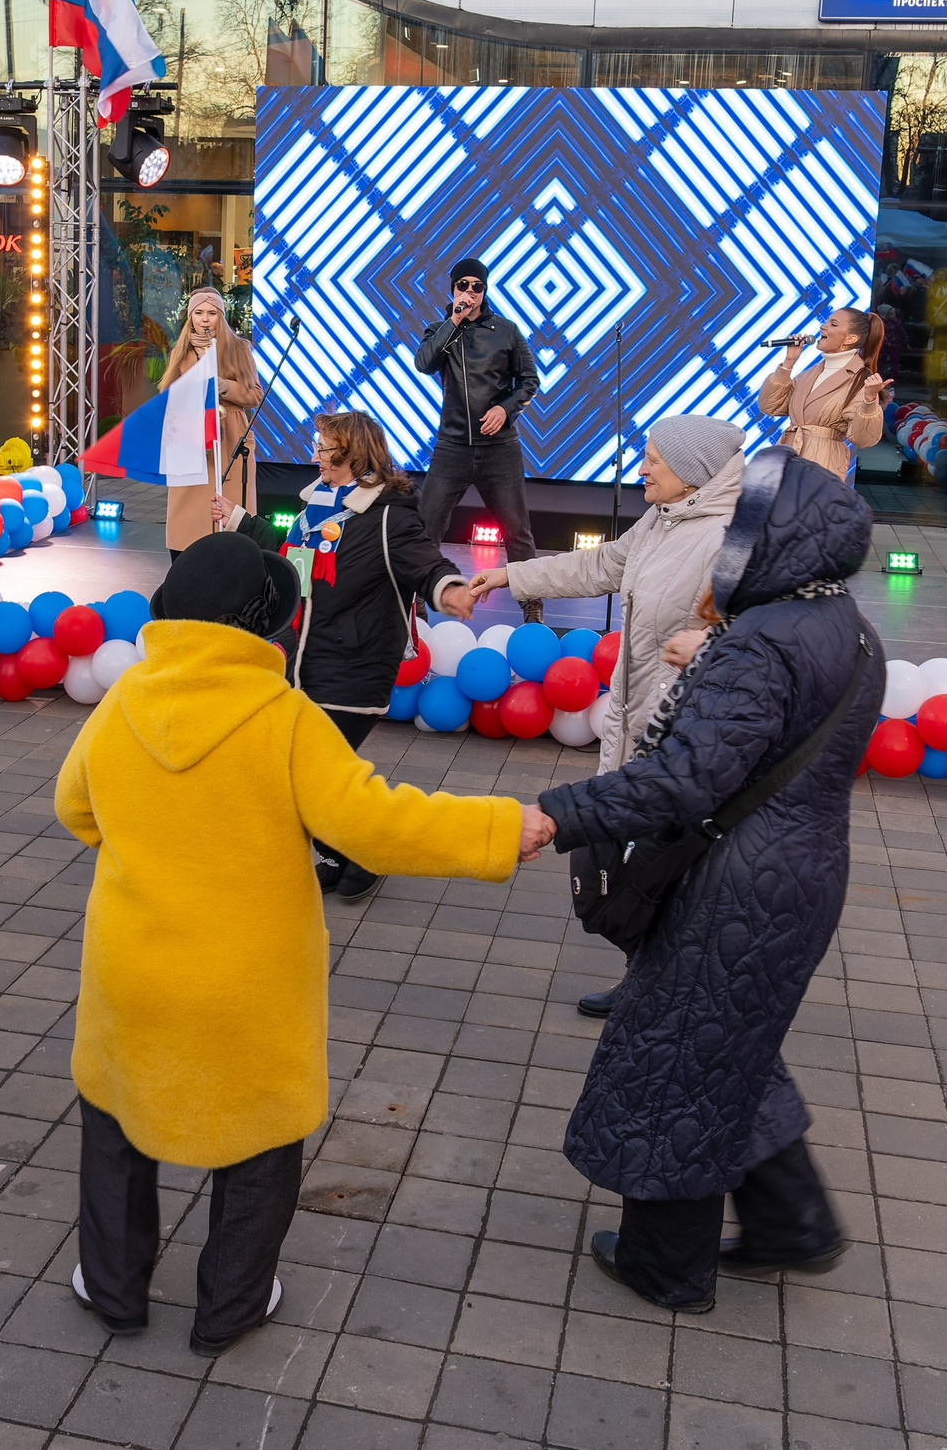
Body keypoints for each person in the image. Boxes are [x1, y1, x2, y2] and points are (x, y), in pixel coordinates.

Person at [55, 532, 552, 1354]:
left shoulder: (123, 700)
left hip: (132, 966)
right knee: (260, 1139)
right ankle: (231, 1305)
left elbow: (76, 809)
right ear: (270, 626)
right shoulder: (283, 717)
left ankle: (113, 1290)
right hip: (249, 981)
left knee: (114, 1121)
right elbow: (376, 824)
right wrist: (499, 825)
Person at [531, 446, 883, 1314]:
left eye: (747, 524)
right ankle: (792, 1222)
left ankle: (666, 1263)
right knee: (731, 1044)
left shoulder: (762, 643)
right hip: (801, 869)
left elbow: (686, 778)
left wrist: (562, 811)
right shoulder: (846, 624)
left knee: (680, 1057)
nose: (733, 539)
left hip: (738, 878)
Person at [458, 414, 746, 1018]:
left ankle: (677, 993)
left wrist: (701, 655)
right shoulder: (666, 519)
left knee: (670, 870)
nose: (640, 469)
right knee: (644, 867)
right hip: (636, 722)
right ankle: (655, 984)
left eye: (653, 460)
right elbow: (603, 565)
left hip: (685, 736)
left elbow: (758, 639)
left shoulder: (727, 540)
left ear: (692, 472)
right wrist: (512, 575)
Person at [284, 410, 473, 903]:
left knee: (309, 772)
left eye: (325, 449)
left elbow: (424, 560)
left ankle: (364, 851)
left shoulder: (389, 514)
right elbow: (296, 567)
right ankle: (343, 854)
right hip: (308, 662)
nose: (316, 456)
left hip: (355, 667)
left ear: (352, 455)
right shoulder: (316, 510)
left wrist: (448, 588)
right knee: (314, 773)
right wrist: (239, 521)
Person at [413, 258, 542, 622]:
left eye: (477, 287)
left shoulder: (506, 330)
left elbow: (529, 381)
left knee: (517, 530)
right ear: (453, 290)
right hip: (452, 446)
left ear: (485, 291)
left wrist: (506, 409)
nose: (470, 292)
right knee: (428, 526)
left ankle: (531, 606)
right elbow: (423, 363)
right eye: (463, 285)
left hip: (499, 449)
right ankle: (417, 600)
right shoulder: (440, 330)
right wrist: (453, 322)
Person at [158, 288, 264, 556]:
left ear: (222, 316)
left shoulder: (240, 348)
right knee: (188, 517)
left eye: (212, 313)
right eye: (199, 313)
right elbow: (167, 397)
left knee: (230, 510)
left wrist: (226, 387)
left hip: (231, 438)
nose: (205, 319)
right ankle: (186, 565)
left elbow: (255, 395)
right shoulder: (180, 353)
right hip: (192, 439)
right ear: (190, 317)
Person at [758, 309, 886, 483]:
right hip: (785, 462)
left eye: (833, 324)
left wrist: (869, 401)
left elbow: (863, 439)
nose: (823, 326)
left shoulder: (860, 380)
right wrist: (788, 363)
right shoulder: (812, 372)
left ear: (850, 339)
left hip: (821, 469)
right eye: (826, 321)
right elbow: (770, 406)